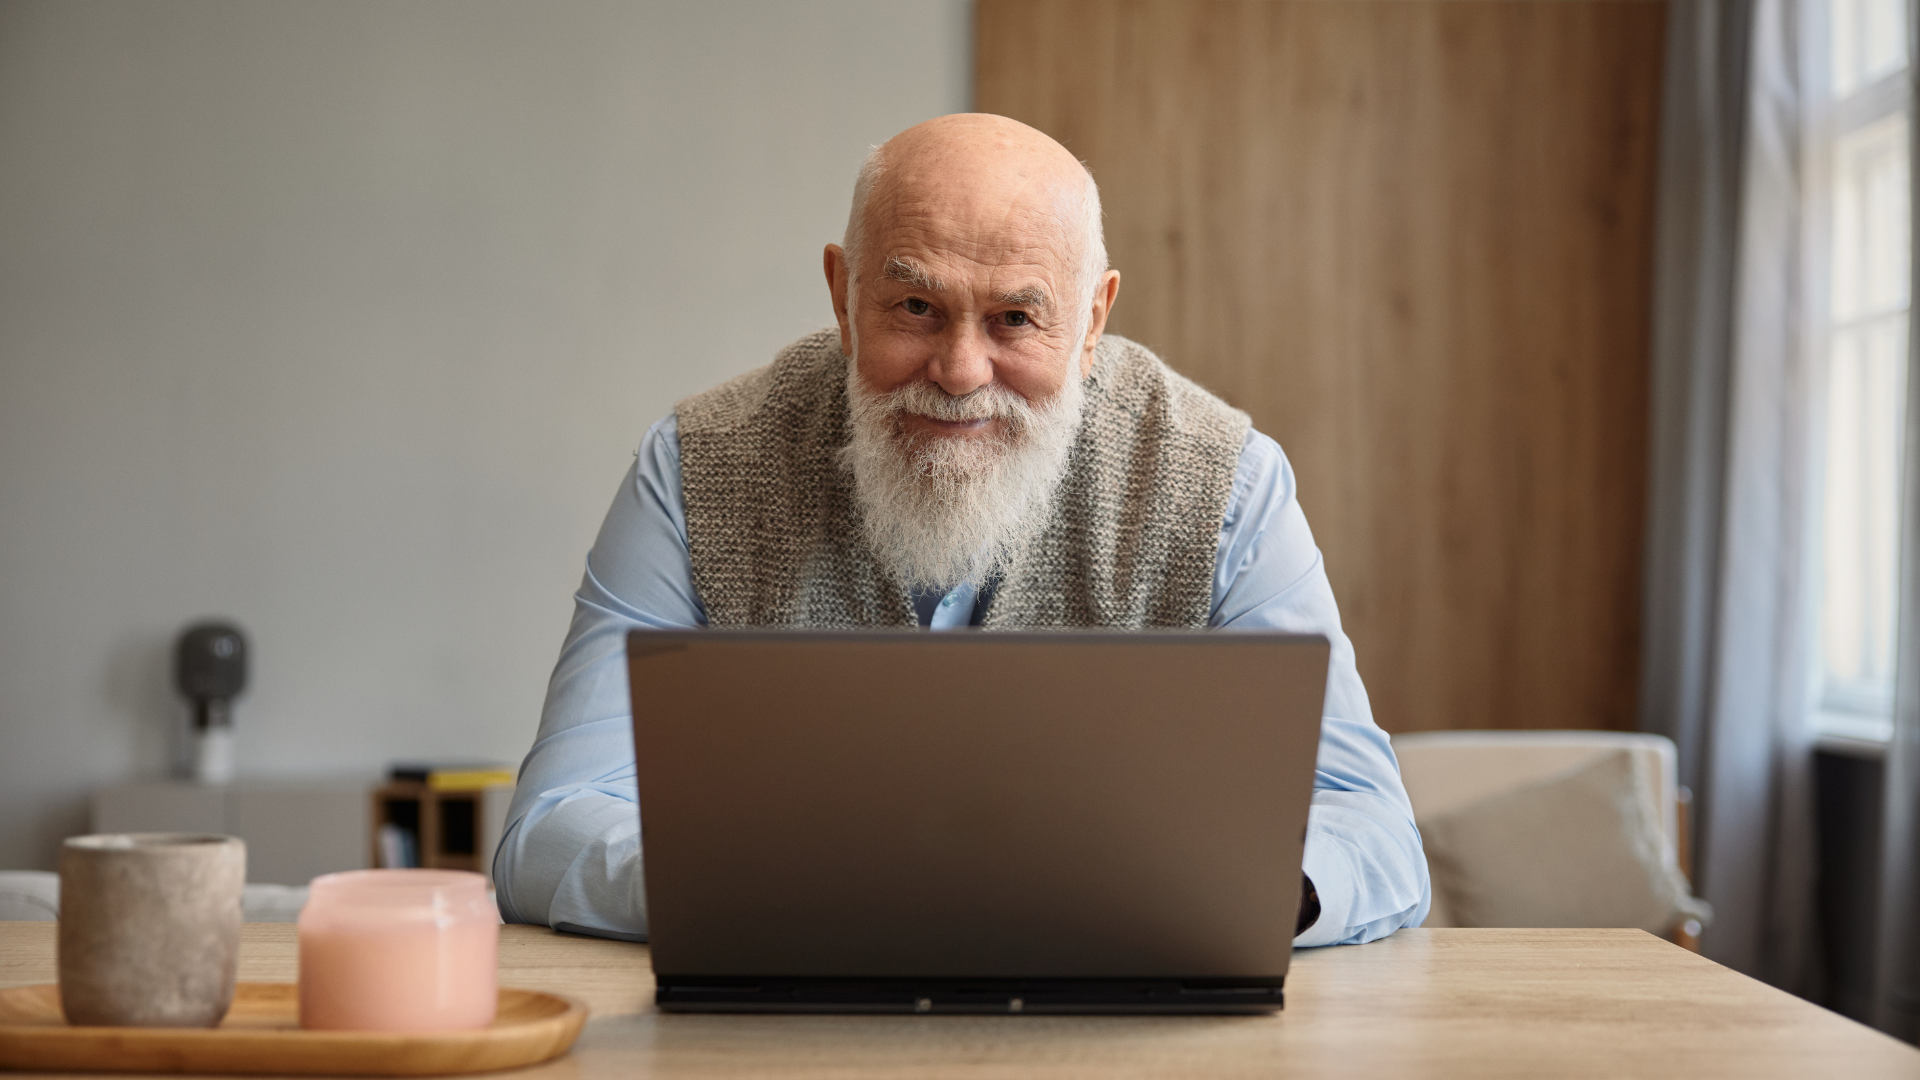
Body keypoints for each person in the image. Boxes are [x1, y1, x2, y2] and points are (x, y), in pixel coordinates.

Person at [493, 113, 1430, 947]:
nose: (958, 368)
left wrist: (1216, 899)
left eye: (1016, 318)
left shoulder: (1225, 481)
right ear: (841, 292)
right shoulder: (696, 465)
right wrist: (778, 895)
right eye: (915, 307)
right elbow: (552, 826)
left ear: (1093, 318)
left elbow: (1370, 830)